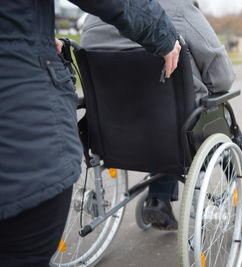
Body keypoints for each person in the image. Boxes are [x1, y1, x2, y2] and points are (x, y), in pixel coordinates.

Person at [0, 0, 181, 266]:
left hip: (109, 129)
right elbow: (219, 73)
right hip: (24, 123)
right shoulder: (183, 12)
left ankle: (160, 196)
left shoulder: (90, 26)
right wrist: (162, 34)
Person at [81, 0, 242, 231]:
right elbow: (221, 75)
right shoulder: (179, 8)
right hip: (173, 132)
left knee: (164, 111)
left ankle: (158, 198)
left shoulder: (93, 16)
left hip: (111, 134)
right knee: (213, 113)